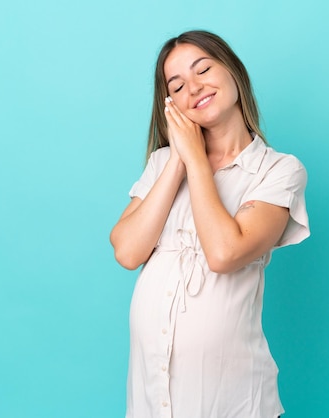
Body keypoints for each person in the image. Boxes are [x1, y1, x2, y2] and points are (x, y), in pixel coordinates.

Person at [110, 29, 310, 418]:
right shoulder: (161, 165)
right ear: (171, 105)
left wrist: (197, 162)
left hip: (232, 399)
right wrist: (179, 159)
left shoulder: (278, 171)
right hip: (152, 396)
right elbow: (127, 250)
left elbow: (224, 253)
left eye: (203, 69)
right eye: (178, 85)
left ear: (233, 71)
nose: (194, 87)